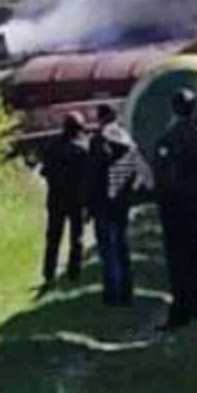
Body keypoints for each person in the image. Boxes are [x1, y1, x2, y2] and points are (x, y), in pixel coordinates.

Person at [152, 88, 197, 331]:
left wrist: (162, 202)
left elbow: (161, 177)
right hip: (195, 206)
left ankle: (181, 309)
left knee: (177, 260)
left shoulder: (166, 140)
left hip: (174, 207)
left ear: (174, 109)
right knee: (196, 253)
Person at [87, 105, 139, 306]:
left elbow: (92, 175)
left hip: (103, 203)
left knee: (108, 249)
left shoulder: (99, 141)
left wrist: (88, 204)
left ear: (100, 119)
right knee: (122, 246)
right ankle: (126, 291)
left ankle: (112, 294)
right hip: (122, 202)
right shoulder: (126, 140)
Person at [39, 112, 90, 294]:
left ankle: (48, 273)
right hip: (76, 200)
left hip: (56, 199)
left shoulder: (52, 147)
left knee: (53, 237)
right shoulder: (83, 150)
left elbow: (44, 173)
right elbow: (88, 178)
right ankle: (74, 272)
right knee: (76, 238)